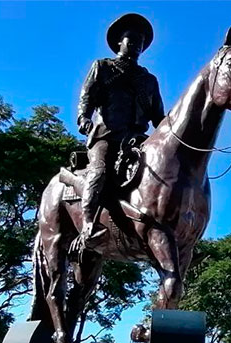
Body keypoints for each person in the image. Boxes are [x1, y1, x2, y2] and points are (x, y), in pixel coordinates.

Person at [72, 13, 165, 255]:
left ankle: (175, 234)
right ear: (119, 43)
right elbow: (87, 97)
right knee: (99, 172)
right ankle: (88, 226)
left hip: (137, 141)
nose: (137, 46)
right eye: (132, 40)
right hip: (106, 136)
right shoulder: (103, 67)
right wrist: (84, 118)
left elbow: (159, 118)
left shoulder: (149, 80)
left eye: (141, 43)